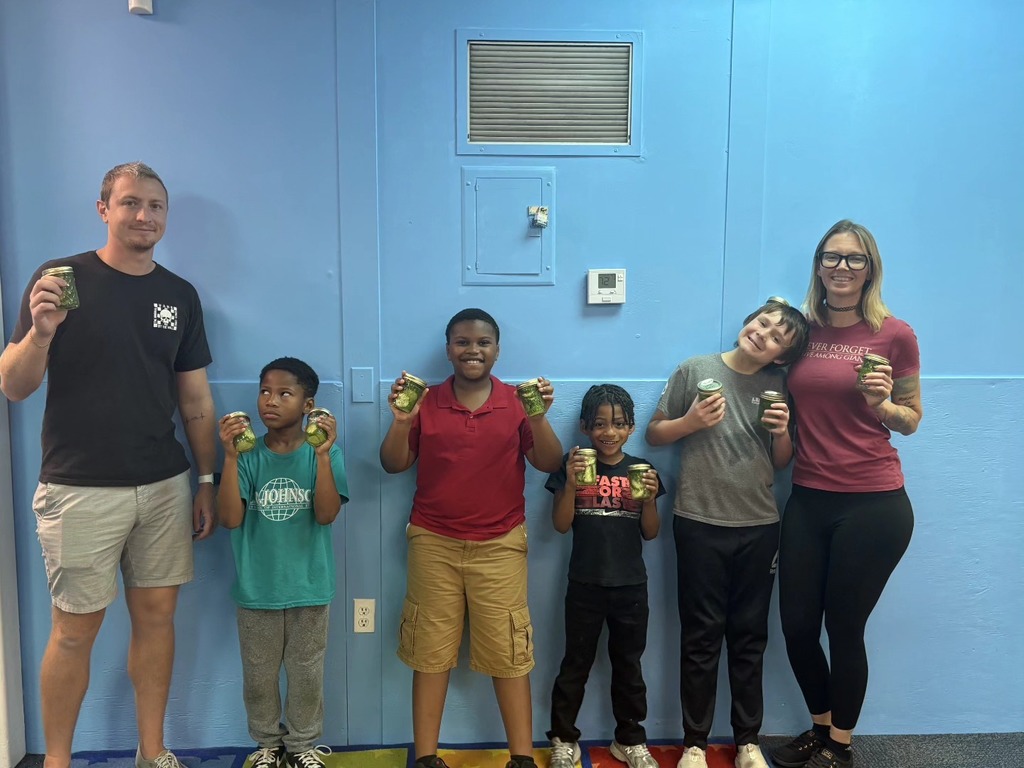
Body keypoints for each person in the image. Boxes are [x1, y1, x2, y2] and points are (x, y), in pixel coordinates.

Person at [0, 162, 216, 768]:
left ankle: (153, 752)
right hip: (79, 488)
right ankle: (57, 761)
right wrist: (41, 334)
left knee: (158, 620)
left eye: (155, 205)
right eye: (130, 203)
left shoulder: (180, 295)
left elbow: (195, 400)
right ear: (104, 209)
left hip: (165, 485)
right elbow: (13, 385)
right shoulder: (59, 280)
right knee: (74, 631)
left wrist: (205, 479)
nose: (144, 215)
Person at [379, 308, 563, 768]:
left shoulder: (518, 401)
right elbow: (393, 464)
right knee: (430, 651)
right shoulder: (426, 401)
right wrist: (401, 421)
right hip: (433, 542)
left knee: (509, 650)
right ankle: (426, 758)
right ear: (448, 350)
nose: (472, 350)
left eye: (483, 342)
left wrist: (540, 418)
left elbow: (548, 462)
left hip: (501, 545)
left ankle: (521, 758)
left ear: (497, 350)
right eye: (462, 342)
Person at [768, 221, 922, 768]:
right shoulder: (801, 332)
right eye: (832, 257)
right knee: (797, 626)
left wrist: (882, 406)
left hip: (874, 504)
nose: (842, 267)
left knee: (844, 627)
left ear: (870, 269)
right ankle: (819, 726)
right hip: (808, 498)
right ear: (818, 265)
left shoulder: (894, 334)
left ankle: (841, 744)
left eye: (855, 259)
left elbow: (911, 420)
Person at [645, 300, 811, 768]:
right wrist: (690, 423)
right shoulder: (695, 370)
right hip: (698, 519)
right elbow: (655, 434)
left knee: (749, 637)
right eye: (763, 323)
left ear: (782, 356)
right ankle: (694, 743)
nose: (764, 333)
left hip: (759, 526)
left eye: (777, 337)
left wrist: (783, 433)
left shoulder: (780, 386)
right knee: (700, 636)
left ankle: (747, 742)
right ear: (748, 322)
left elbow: (781, 462)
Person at [217, 357, 348, 768]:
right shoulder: (248, 456)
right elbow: (230, 519)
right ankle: (268, 745)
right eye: (265, 392)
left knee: (307, 672)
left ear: (308, 405)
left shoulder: (326, 453)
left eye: (284, 393)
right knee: (259, 674)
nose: (270, 401)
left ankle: (302, 746)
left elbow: (326, 514)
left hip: (310, 586)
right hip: (258, 589)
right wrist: (230, 458)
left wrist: (322, 456)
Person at [545, 384, 665, 768]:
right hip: (584, 583)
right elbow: (561, 524)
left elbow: (651, 532)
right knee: (574, 665)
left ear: (631, 428)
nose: (608, 432)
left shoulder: (642, 470)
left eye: (618, 424)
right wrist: (570, 483)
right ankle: (564, 738)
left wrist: (648, 500)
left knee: (629, 666)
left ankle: (629, 739)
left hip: (631, 586)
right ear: (584, 427)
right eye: (599, 424)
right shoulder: (572, 464)